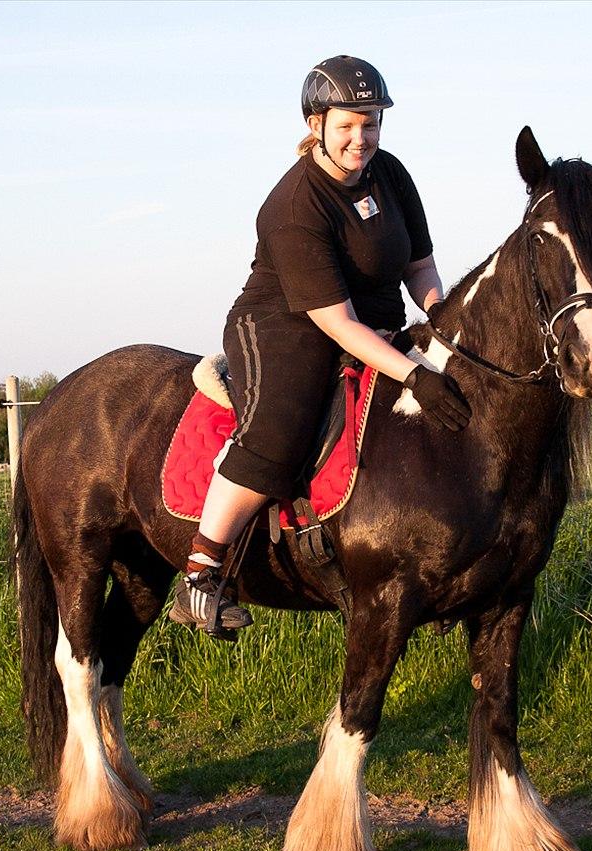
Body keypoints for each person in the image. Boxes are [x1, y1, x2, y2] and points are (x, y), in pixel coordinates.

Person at [169, 55, 471, 639]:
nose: (362, 139)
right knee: (282, 425)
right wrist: (412, 374)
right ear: (316, 126)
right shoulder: (293, 205)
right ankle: (201, 575)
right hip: (285, 323)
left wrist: (442, 323)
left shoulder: (392, 174)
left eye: (372, 124)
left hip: (373, 320)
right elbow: (335, 321)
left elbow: (421, 265)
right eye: (347, 126)